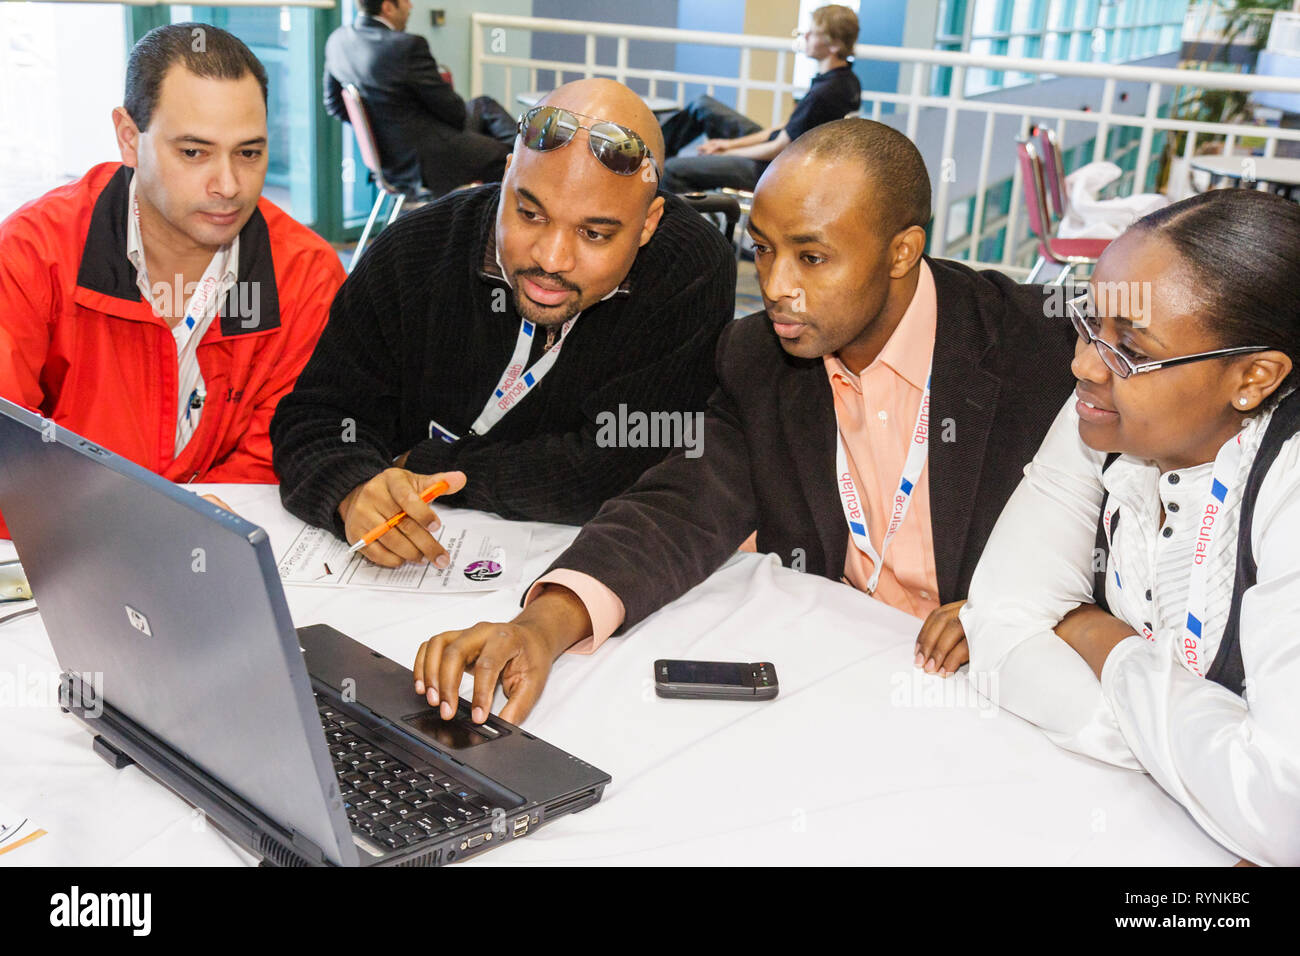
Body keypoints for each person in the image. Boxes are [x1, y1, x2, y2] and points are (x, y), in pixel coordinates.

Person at [408, 117, 1078, 725]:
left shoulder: (1046, 352)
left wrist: (1026, 612)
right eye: (762, 250)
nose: (777, 286)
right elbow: (682, 505)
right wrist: (543, 625)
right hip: (834, 692)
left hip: (1002, 711)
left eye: (811, 258)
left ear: (902, 252)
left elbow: (1136, 541)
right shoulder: (759, 355)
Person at [959, 189, 1300, 867]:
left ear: (1254, 377)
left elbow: (1281, 811)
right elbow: (999, 623)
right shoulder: (1109, 405)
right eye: (1089, 325)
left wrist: (1093, 633)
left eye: (1131, 348)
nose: (1085, 364)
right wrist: (1197, 759)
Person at [270, 78, 736, 568]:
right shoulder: (412, 254)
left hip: (591, 571)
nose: (552, 259)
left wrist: (426, 464)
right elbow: (316, 420)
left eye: (595, 233)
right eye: (530, 213)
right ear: (507, 175)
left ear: (648, 223)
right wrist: (352, 488)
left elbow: (624, 462)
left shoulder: (690, 270)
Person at [0, 22, 344, 538]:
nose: (228, 186)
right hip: (60, 550)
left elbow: (277, 453)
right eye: (194, 152)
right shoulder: (33, 254)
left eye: (248, 153)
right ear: (128, 139)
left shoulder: (308, 274)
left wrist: (187, 533)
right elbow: (9, 460)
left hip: (223, 548)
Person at [658, 4, 861, 194]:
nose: (805, 36)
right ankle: (656, 156)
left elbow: (776, 149)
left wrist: (725, 153)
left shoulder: (826, 93)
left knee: (673, 169)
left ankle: (671, 203)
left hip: (775, 168)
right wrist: (729, 145)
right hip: (779, 153)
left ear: (834, 44)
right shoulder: (845, 80)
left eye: (814, 33)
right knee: (702, 105)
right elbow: (787, 128)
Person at [324, 0, 518, 197]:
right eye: (405, 1)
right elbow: (456, 114)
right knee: (506, 157)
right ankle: (524, 160)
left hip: (388, 159)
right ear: (388, 7)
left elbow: (334, 105)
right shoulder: (406, 47)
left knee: (483, 104)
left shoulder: (338, 41)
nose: (411, 6)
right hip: (426, 162)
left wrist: (377, 135)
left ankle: (524, 152)